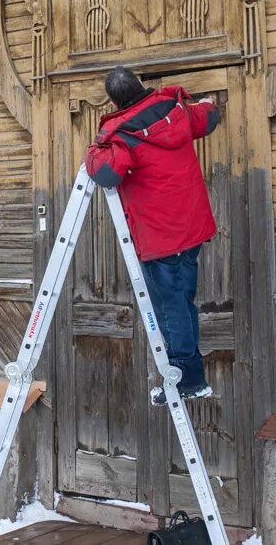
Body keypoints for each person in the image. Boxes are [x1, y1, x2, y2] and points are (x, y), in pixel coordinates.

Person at [85, 66, 220, 406]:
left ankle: (186, 379)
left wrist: (94, 147)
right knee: (182, 302)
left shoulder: (123, 133)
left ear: (114, 100)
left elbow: (104, 172)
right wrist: (209, 103)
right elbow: (208, 119)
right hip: (191, 231)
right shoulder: (177, 112)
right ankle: (191, 373)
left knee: (171, 308)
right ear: (140, 84)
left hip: (162, 240)